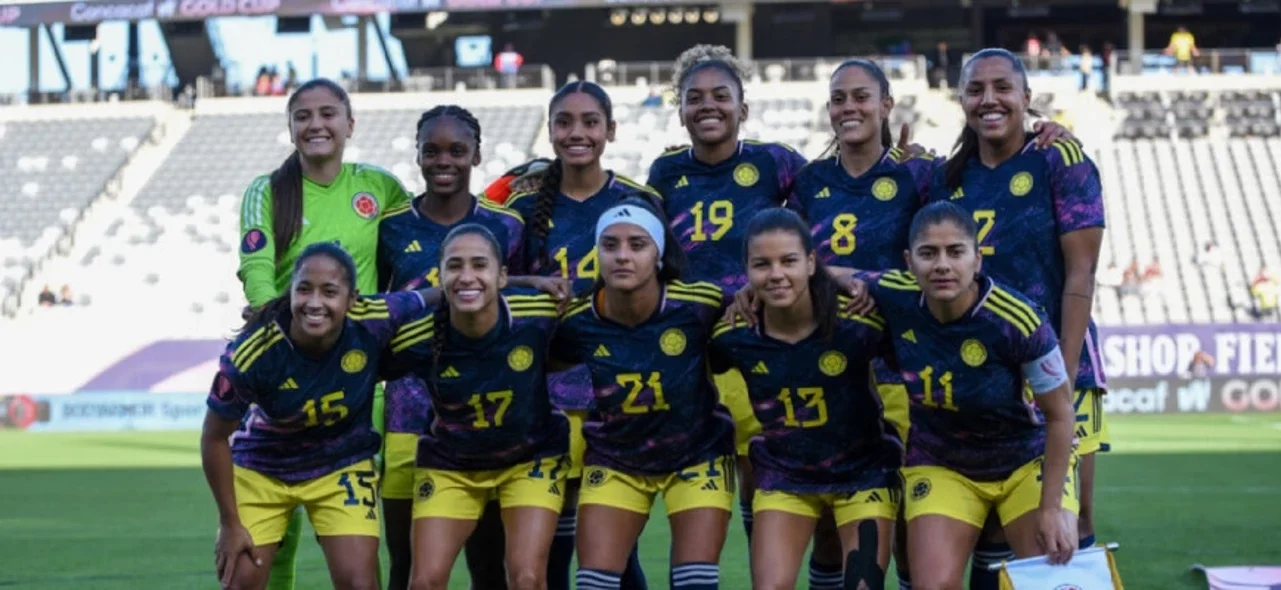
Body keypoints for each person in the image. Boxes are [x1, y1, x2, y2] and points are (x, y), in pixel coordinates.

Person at [641, 44, 836, 584]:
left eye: (721, 95)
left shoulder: (775, 162)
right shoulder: (664, 171)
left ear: (743, 108)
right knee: (685, 484)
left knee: (763, 478)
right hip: (689, 353)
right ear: (680, 110)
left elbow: (832, 196)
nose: (708, 105)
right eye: (695, 97)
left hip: (760, 348)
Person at [930, 48, 1105, 590]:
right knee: (991, 526)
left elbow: (1081, 273)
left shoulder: (1060, 160)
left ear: (1027, 97)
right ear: (961, 100)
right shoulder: (945, 178)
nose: (990, 99)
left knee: (1071, 522)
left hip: (1061, 365)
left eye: (1002, 87)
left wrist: (1062, 374)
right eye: (975, 89)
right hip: (980, 373)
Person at [237, 77, 413, 590]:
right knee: (277, 532)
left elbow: (420, 244)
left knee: (356, 530)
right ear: (290, 127)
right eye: (303, 116)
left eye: (328, 113)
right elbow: (257, 267)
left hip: (358, 377)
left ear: (350, 124)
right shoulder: (268, 191)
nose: (316, 124)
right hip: (284, 366)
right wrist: (276, 324)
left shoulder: (379, 187)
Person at [854, 202, 1079, 588]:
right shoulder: (895, 294)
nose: (942, 265)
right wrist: (750, 294)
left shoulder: (1020, 319)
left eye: (955, 252)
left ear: (977, 259)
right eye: (928, 253)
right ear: (909, 262)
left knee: (1049, 580)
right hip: (942, 464)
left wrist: (1051, 508)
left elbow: (1061, 415)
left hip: (1025, 462)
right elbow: (827, 273)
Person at [202, 243, 427, 590]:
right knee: (242, 582)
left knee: (360, 584)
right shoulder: (254, 350)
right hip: (263, 468)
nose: (314, 302)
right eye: (304, 289)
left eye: (329, 292)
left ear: (352, 300)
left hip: (342, 464)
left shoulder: (373, 318)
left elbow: (438, 294)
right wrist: (230, 523)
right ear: (291, 291)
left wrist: (513, 281)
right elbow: (214, 437)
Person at [505, 80, 656, 590]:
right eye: (564, 122)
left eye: (590, 122)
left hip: (617, 393)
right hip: (543, 394)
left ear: (610, 130)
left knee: (616, 553)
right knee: (550, 551)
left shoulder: (638, 201)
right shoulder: (523, 211)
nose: (577, 133)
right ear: (549, 131)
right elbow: (492, 283)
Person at [708, 209, 902, 589]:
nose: (776, 274)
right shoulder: (732, 334)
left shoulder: (859, 322)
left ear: (812, 263)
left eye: (789, 261)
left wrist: (849, 279)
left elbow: (914, 304)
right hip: (785, 475)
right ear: (746, 271)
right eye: (762, 264)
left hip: (863, 475)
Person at [550, 198, 736, 590]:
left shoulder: (702, 304)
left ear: (659, 254)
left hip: (696, 456)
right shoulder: (577, 319)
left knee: (695, 584)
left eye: (637, 245)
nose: (622, 256)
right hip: (616, 458)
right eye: (610, 245)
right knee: (594, 584)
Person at [377, 105, 526, 590]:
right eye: (432, 151)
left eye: (457, 150)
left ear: (476, 155)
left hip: (485, 412)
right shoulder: (391, 226)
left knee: (489, 568)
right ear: (418, 155)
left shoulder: (507, 226)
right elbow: (379, 310)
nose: (444, 161)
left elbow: (521, 306)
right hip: (408, 408)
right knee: (406, 567)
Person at [385, 224, 568, 590]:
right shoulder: (416, 338)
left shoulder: (538, 313)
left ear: (502, 276)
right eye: (455, 266)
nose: (466, 276)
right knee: (424, 582)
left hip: (529, 459)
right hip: (451, 465)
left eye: (479, 265)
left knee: (527, 578)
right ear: (440, 277)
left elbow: (604, 321)